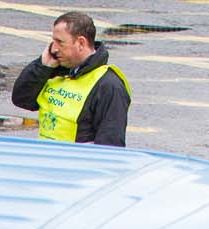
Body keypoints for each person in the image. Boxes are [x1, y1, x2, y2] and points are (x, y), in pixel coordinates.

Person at [11, 11, 130, 147]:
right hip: (45, 161)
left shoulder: (109, 85)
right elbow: (22, 100)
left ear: (80, 43)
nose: (54, 49)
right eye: (53, 41)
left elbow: (110, 145)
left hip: (75, 165)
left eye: (60, 42)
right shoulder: (55, 70)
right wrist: (42, 67)